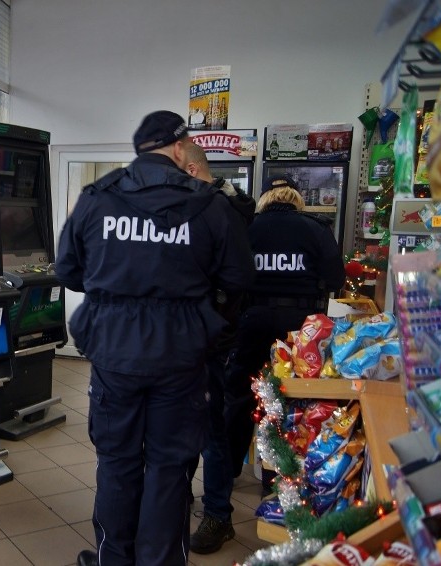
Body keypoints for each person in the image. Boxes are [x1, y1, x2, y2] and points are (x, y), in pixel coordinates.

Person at [56, 110, 255, 566]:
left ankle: (114, 559)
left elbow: (68, 270)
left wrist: (117, 288)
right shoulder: (208, 204)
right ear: (181, 148)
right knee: (169, 468)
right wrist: (206, 320)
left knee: (118, 462)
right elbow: (240, 278)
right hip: (182, 359)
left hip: (114, 355)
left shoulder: (97, 198)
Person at [221, 175, 346, 494]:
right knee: (294, 397)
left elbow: (229, 275)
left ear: (265, 200)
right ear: (297, 200)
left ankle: (228, 467)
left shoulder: (248, 228)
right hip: (301, 329)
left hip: (253, 320)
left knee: (239, 395)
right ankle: (287, 476)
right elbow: (335, 278)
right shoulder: (316, 228)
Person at [182, 143, 255, 555]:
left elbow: (235, 282)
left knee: (211, 431)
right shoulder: (215, 205)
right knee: (188, 424)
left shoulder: (219, 212)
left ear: (192, 169)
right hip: (193, 336)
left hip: (207, 339)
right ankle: (183, 498)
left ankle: (218, 516)